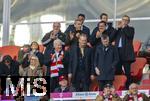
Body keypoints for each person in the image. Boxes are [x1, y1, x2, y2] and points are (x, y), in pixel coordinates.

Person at [114, 15, 135, 89]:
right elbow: (111, 37)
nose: (125, 21)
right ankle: (119, 87)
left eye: (126, 20)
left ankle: (128, 87)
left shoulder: (131, 29)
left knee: (127, 72)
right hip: (117, 53)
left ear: (128, 22)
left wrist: (124, 27)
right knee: (118, 71)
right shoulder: (119, 30)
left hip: (126, 53)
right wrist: (117, 28)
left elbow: (129, 35)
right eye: (123, 20)